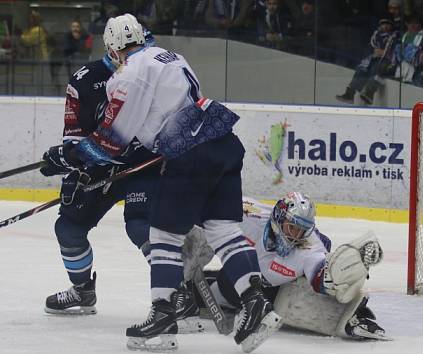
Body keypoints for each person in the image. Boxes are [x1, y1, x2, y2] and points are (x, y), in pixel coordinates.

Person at [40, 14, 281, 352]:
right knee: (224, 230)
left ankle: (163, 318)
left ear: (113, 47)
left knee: (163, 236)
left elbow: (112, 141)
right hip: (223, 143)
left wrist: (66, 158)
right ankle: (256, 304)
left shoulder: (127, 76)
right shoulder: (171, 56)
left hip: (189, 156)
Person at [40, 29, 160, 317]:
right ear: (112, 48)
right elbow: (74, 137)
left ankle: (176, 292)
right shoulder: (85, 81)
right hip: (99, 163)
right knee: (68, 228)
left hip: (143, 164)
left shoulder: (155, 73)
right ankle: (82, 290)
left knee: (140, 226)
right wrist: (70, 163)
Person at [182, 192, 390, 341]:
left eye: (302, 231)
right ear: (279, 218)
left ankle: (355, 317)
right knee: (216, 281)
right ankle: (182, 290)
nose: (295, 236)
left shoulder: (310, 248)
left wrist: (342, 276)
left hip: (270, 291)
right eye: (292, 228)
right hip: (236, 276)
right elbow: (206, 205)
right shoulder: (248, 215)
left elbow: (320, 280)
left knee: (296, 295)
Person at [335, 18, 399, 105]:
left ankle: (369, 93)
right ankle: (350, 93)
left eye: (388, 24)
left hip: (387, 61)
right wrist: (378, 51)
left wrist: (383, 52)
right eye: (383, 24)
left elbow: (390, 51)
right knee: (361, 69)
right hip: (374, 58)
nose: (385, 26)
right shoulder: (376, 34)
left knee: (377, 69)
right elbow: (373, 48)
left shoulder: (394, 36)